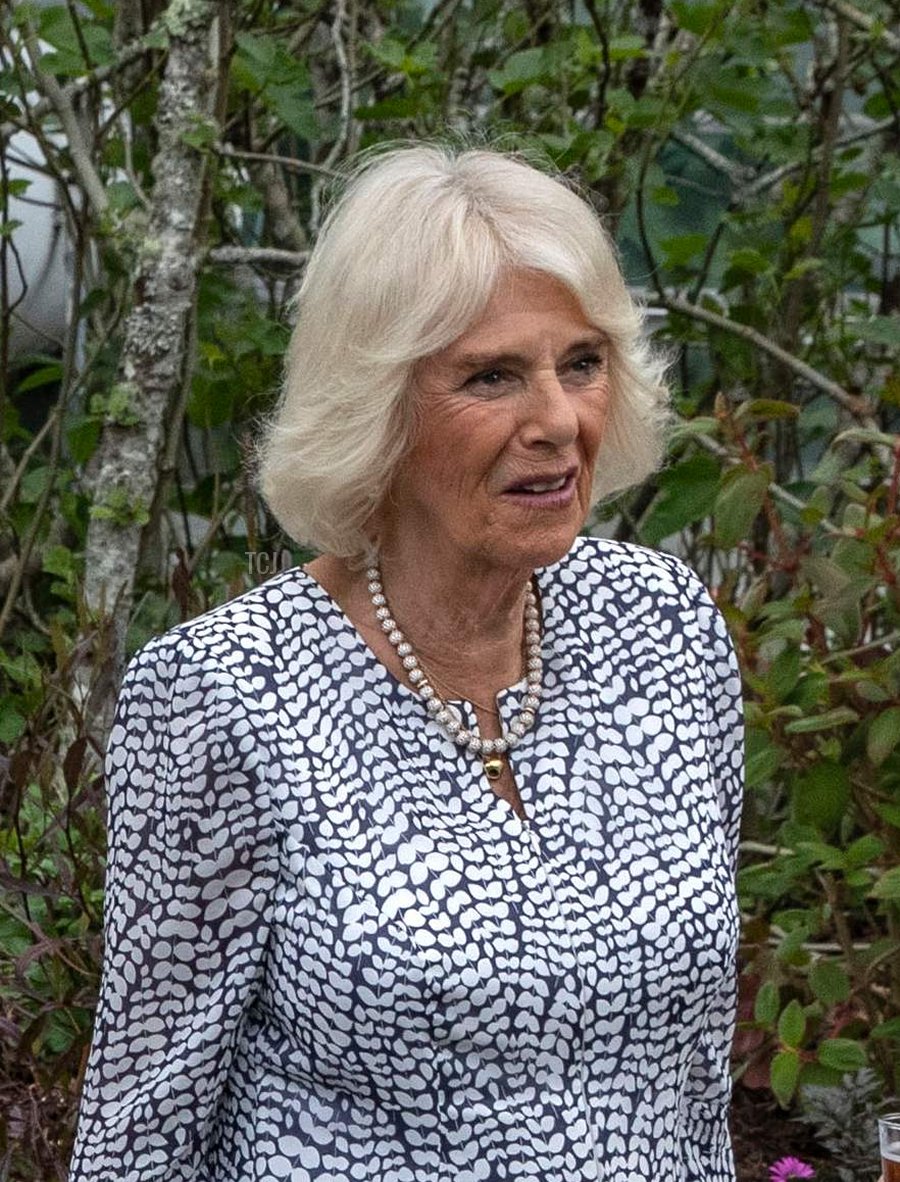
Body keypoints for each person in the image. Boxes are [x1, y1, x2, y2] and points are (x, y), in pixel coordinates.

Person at [69, 142, 744, 1182]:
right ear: (378, 401)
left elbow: (696, 1086)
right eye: (492, 376)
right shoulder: (223, 694)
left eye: (582, 362)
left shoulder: (662, 628)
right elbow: (143, 1127)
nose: (558, 423)